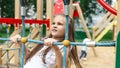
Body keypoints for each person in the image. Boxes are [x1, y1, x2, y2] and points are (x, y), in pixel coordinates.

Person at [10, 14, 82, 68]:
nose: (55, 25)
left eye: (59, 24)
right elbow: (28, 57)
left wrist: (56, 48)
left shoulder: (65, 45)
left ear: (68, 29)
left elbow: (62, 66)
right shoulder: (45, 41)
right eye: (53, 23)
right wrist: (20, 44)